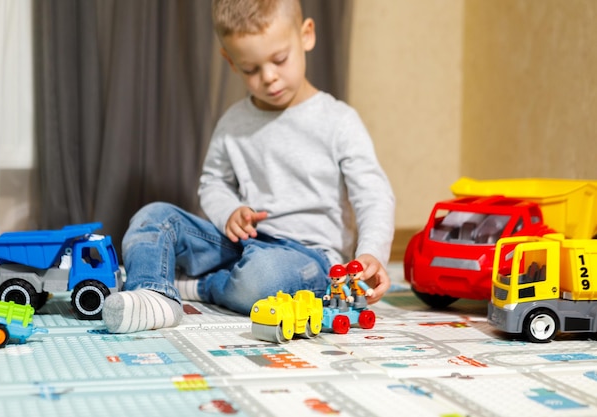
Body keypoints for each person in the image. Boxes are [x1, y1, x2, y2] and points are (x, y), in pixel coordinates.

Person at [101, 0, 396, 334]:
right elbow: (212, 182)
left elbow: (373, 195)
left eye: (280, 60)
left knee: (262, 278)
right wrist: (230, 211)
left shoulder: (339, 121)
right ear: (230, 61)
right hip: (242, 243)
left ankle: (202, 287)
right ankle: (154, 293)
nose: (269, 77)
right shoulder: (234, 121)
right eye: (251, 69)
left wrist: (371, 252)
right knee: (153, 217)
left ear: (307, 36)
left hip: (310, 256)